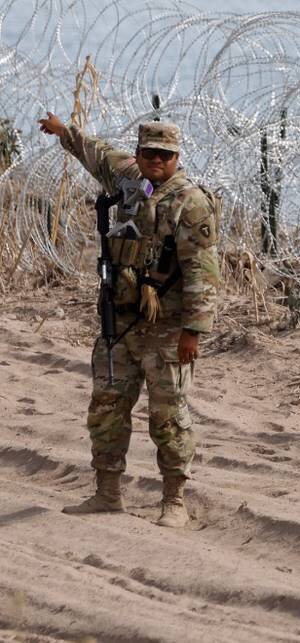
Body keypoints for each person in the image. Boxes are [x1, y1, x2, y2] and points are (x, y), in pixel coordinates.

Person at [38, 112, 220, 528]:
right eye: (147, 153)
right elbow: (97, 154)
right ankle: (107, 492)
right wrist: (65, 132)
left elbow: (203, 273)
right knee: (106, 406)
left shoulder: (190, 204)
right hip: (119, 322)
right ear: (138, 154)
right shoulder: (130, 180)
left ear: (176, 156)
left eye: (164, 154)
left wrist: (193, 331)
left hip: (167, 327)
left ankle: (174, 500)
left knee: (168, 415)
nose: (155, 160)